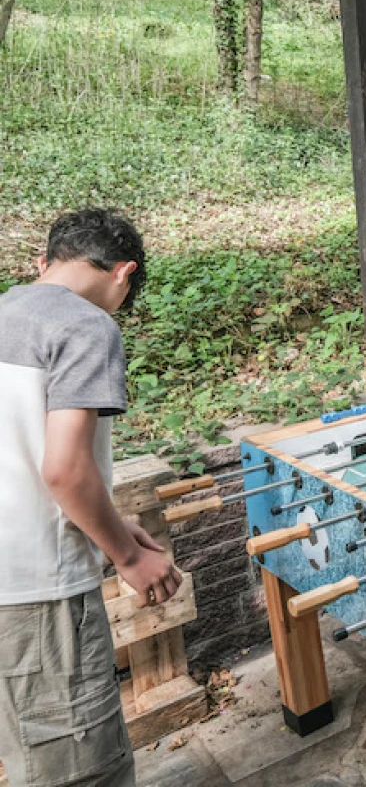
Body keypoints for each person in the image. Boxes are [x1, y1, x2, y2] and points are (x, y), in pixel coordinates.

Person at [0, 209, 183, 787]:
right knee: (80, 769)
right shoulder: (85, 326)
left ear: (44, 262)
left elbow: (22, 457)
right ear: (123, 273)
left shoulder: (6, 310)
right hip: (38, 593)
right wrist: (129, 557)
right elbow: (64, 467)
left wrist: (112, 524)